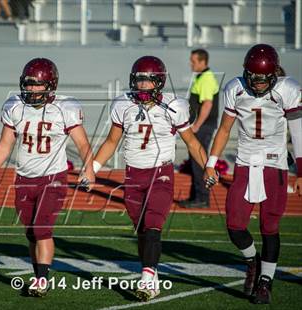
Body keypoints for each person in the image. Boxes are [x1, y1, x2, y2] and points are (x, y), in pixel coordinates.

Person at [93, 56, 207, 301]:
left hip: (160, 172)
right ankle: (151, 275)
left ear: (160, 82)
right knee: (143, 230)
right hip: (133, 174)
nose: (143, 86)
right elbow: (111, 141)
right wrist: (92, 167)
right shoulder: (123, 103)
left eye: (148, 81)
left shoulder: (175, 106)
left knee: (154, 225)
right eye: (139, 81)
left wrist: (208, 166)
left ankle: (146, 277)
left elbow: (192, 142)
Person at [0, 58, 95, 297]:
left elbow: (82, 143)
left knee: (41, 228)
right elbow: (5, 144)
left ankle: (42, 280)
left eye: (38, 85)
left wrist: (89, 169)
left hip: (53, 177)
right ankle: (39, 276)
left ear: (51, 85)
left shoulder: (65, 108)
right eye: (29, 84)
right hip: (24, 177)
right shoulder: (14, 106)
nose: (33, 89)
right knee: (30, 231)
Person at [204, 44, 302, 304]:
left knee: (269, 227)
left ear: (274, 75)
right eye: (253, 79)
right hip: (245, 161)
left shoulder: (288, 89)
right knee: (235, 226)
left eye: (263, 79)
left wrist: (301, 171)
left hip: (275, 163)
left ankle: (265, 283)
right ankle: (252, 261)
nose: (257, 85)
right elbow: (224, 129)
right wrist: (211, 162)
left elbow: (298, 131)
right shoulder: (235, 88)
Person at [180, 48, 219, 208]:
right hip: (200, 127)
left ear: (203, 62)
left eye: (193, 61)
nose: (191, 63)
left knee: (199, 163)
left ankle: (202, 198)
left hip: (203, 127)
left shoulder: (207, 78)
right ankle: (195, 196)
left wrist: (196, 125)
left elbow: (208, 104)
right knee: (194, 162)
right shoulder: (202, 77)